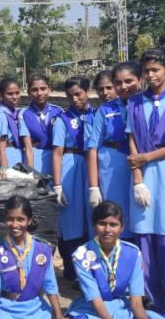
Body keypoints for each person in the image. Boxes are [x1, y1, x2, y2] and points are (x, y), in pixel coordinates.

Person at [68, 202, 165, 319]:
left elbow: (136, 303)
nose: (108, 229)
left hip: (124, 310)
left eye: (113, 224)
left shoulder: (133, 253)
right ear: (94, 226)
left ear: (122, 227)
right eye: (102, 224)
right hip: (94, 310)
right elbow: (96, 301)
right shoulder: (82, 254)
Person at [125, 48, 165, 316]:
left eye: (156, 70)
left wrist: (147, 156)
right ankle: (150, 304)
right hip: (142, 176)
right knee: (145, 240)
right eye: (147, 71)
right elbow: (131, 139)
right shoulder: (134, 103)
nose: (151, 75)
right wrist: (138, 179)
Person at [86, 62, 141, 236]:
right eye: (118, 82)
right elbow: (92, 146)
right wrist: (94, 186)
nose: (122, 87)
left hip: (140, 163)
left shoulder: (142, 105)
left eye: (128, 81)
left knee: (138, 213)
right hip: (112, 166)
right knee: (115, 210)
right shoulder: (105, 110)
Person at [51, 76, 94, 281]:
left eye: (78, 94)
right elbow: (57, 153)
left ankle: (90, 267)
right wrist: (57, 184)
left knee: (90, 217)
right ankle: (71, 268)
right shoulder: (62, 119)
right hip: (71, 164)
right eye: (70, 96)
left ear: (87, 91)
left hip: (92, 165)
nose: (75, 99)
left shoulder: (97, 114)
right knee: (70, 219)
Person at [22, 74, 63, 178]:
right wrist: (30, 172)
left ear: (50, 89)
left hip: (56, 159)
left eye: (43, 89)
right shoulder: (23, 114)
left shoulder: (58, 112)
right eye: (34, 90)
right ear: (28, 92)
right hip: (35, 160)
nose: (39, 93)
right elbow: (28, 147)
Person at [0, 76, 29, 169]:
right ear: (1, 95)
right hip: (9, 157)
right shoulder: (2, 114)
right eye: (10, 94)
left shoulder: (14, 113)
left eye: (17, 93)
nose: (14, 97)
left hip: (18, 156)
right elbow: (1, 149)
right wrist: (5, 171)